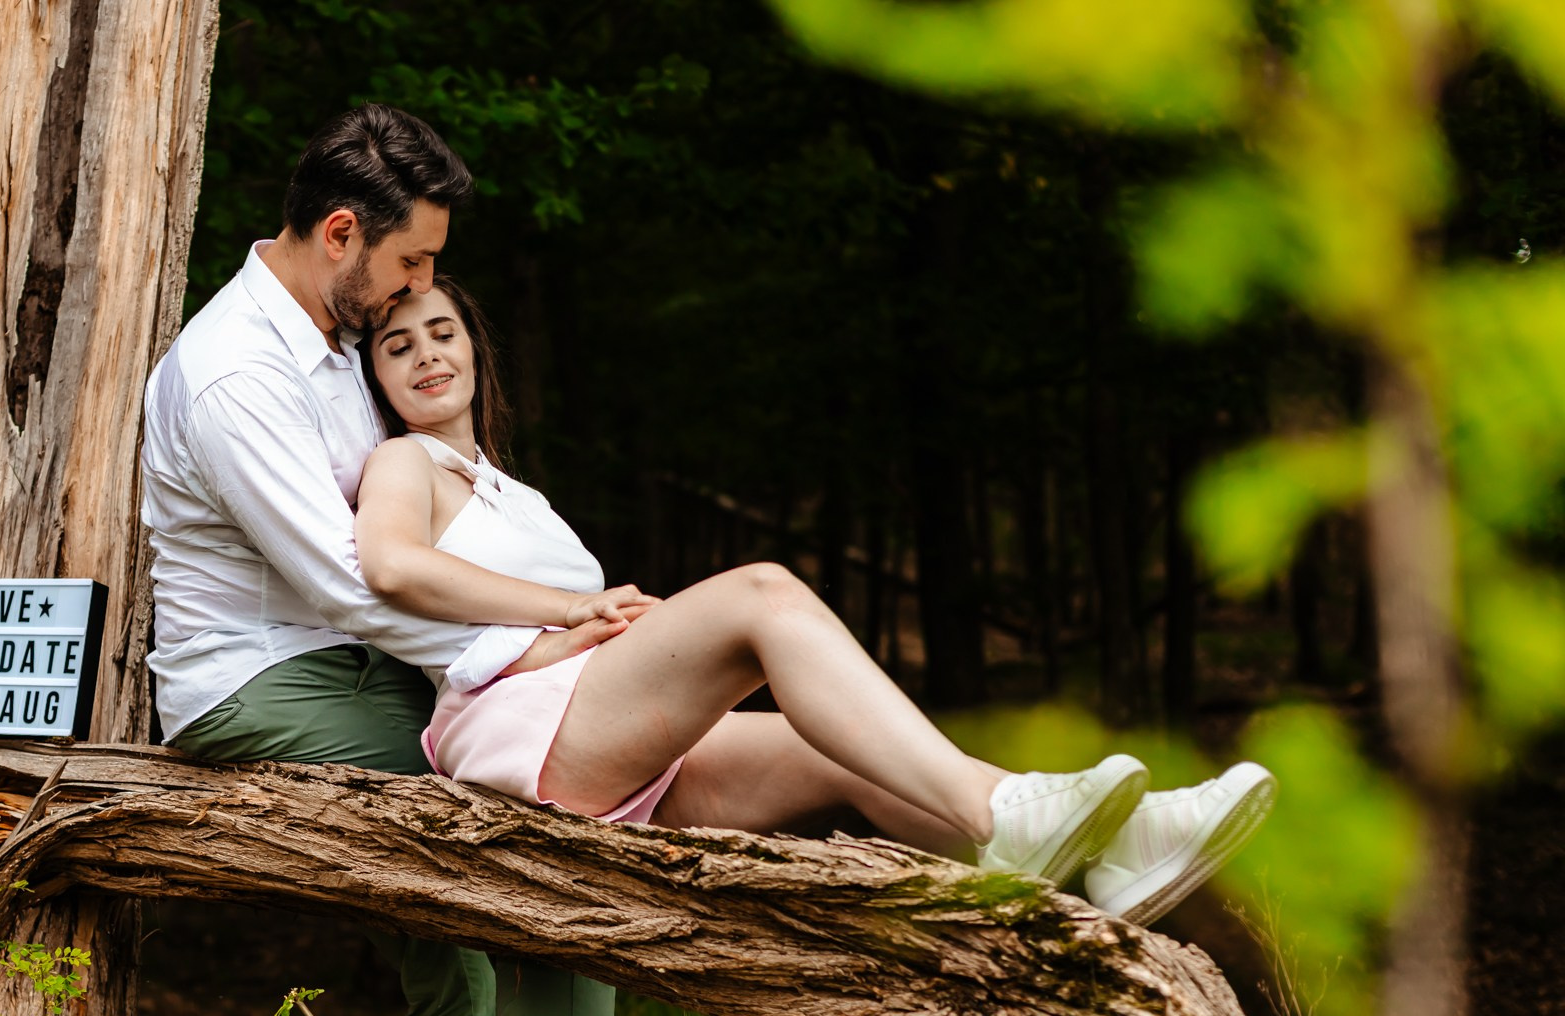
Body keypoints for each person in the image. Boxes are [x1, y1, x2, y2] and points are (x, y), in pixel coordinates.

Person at [140, 105, 721, 1016]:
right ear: (342, 232)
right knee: (527, 823)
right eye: (408, 261)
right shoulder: (235, 369)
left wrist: (552, 636)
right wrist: (540, 637)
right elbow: (354, 583)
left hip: (368, 670)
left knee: (549, 842)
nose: (416, 287)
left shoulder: (331, 344)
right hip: (259, 689)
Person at [353, 277, 1278, 932]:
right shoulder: (404, 460)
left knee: (848, 747)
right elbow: (391, 566)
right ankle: (1008, 813)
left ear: (474, 346)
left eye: (442, 332)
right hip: (521, 735)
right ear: (380, 382)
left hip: (590, 725)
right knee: (763, 591)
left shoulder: (514, 492)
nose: (426, 353)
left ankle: (1116, 852)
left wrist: (587, 625)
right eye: (399, 346)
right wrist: (565, 611)